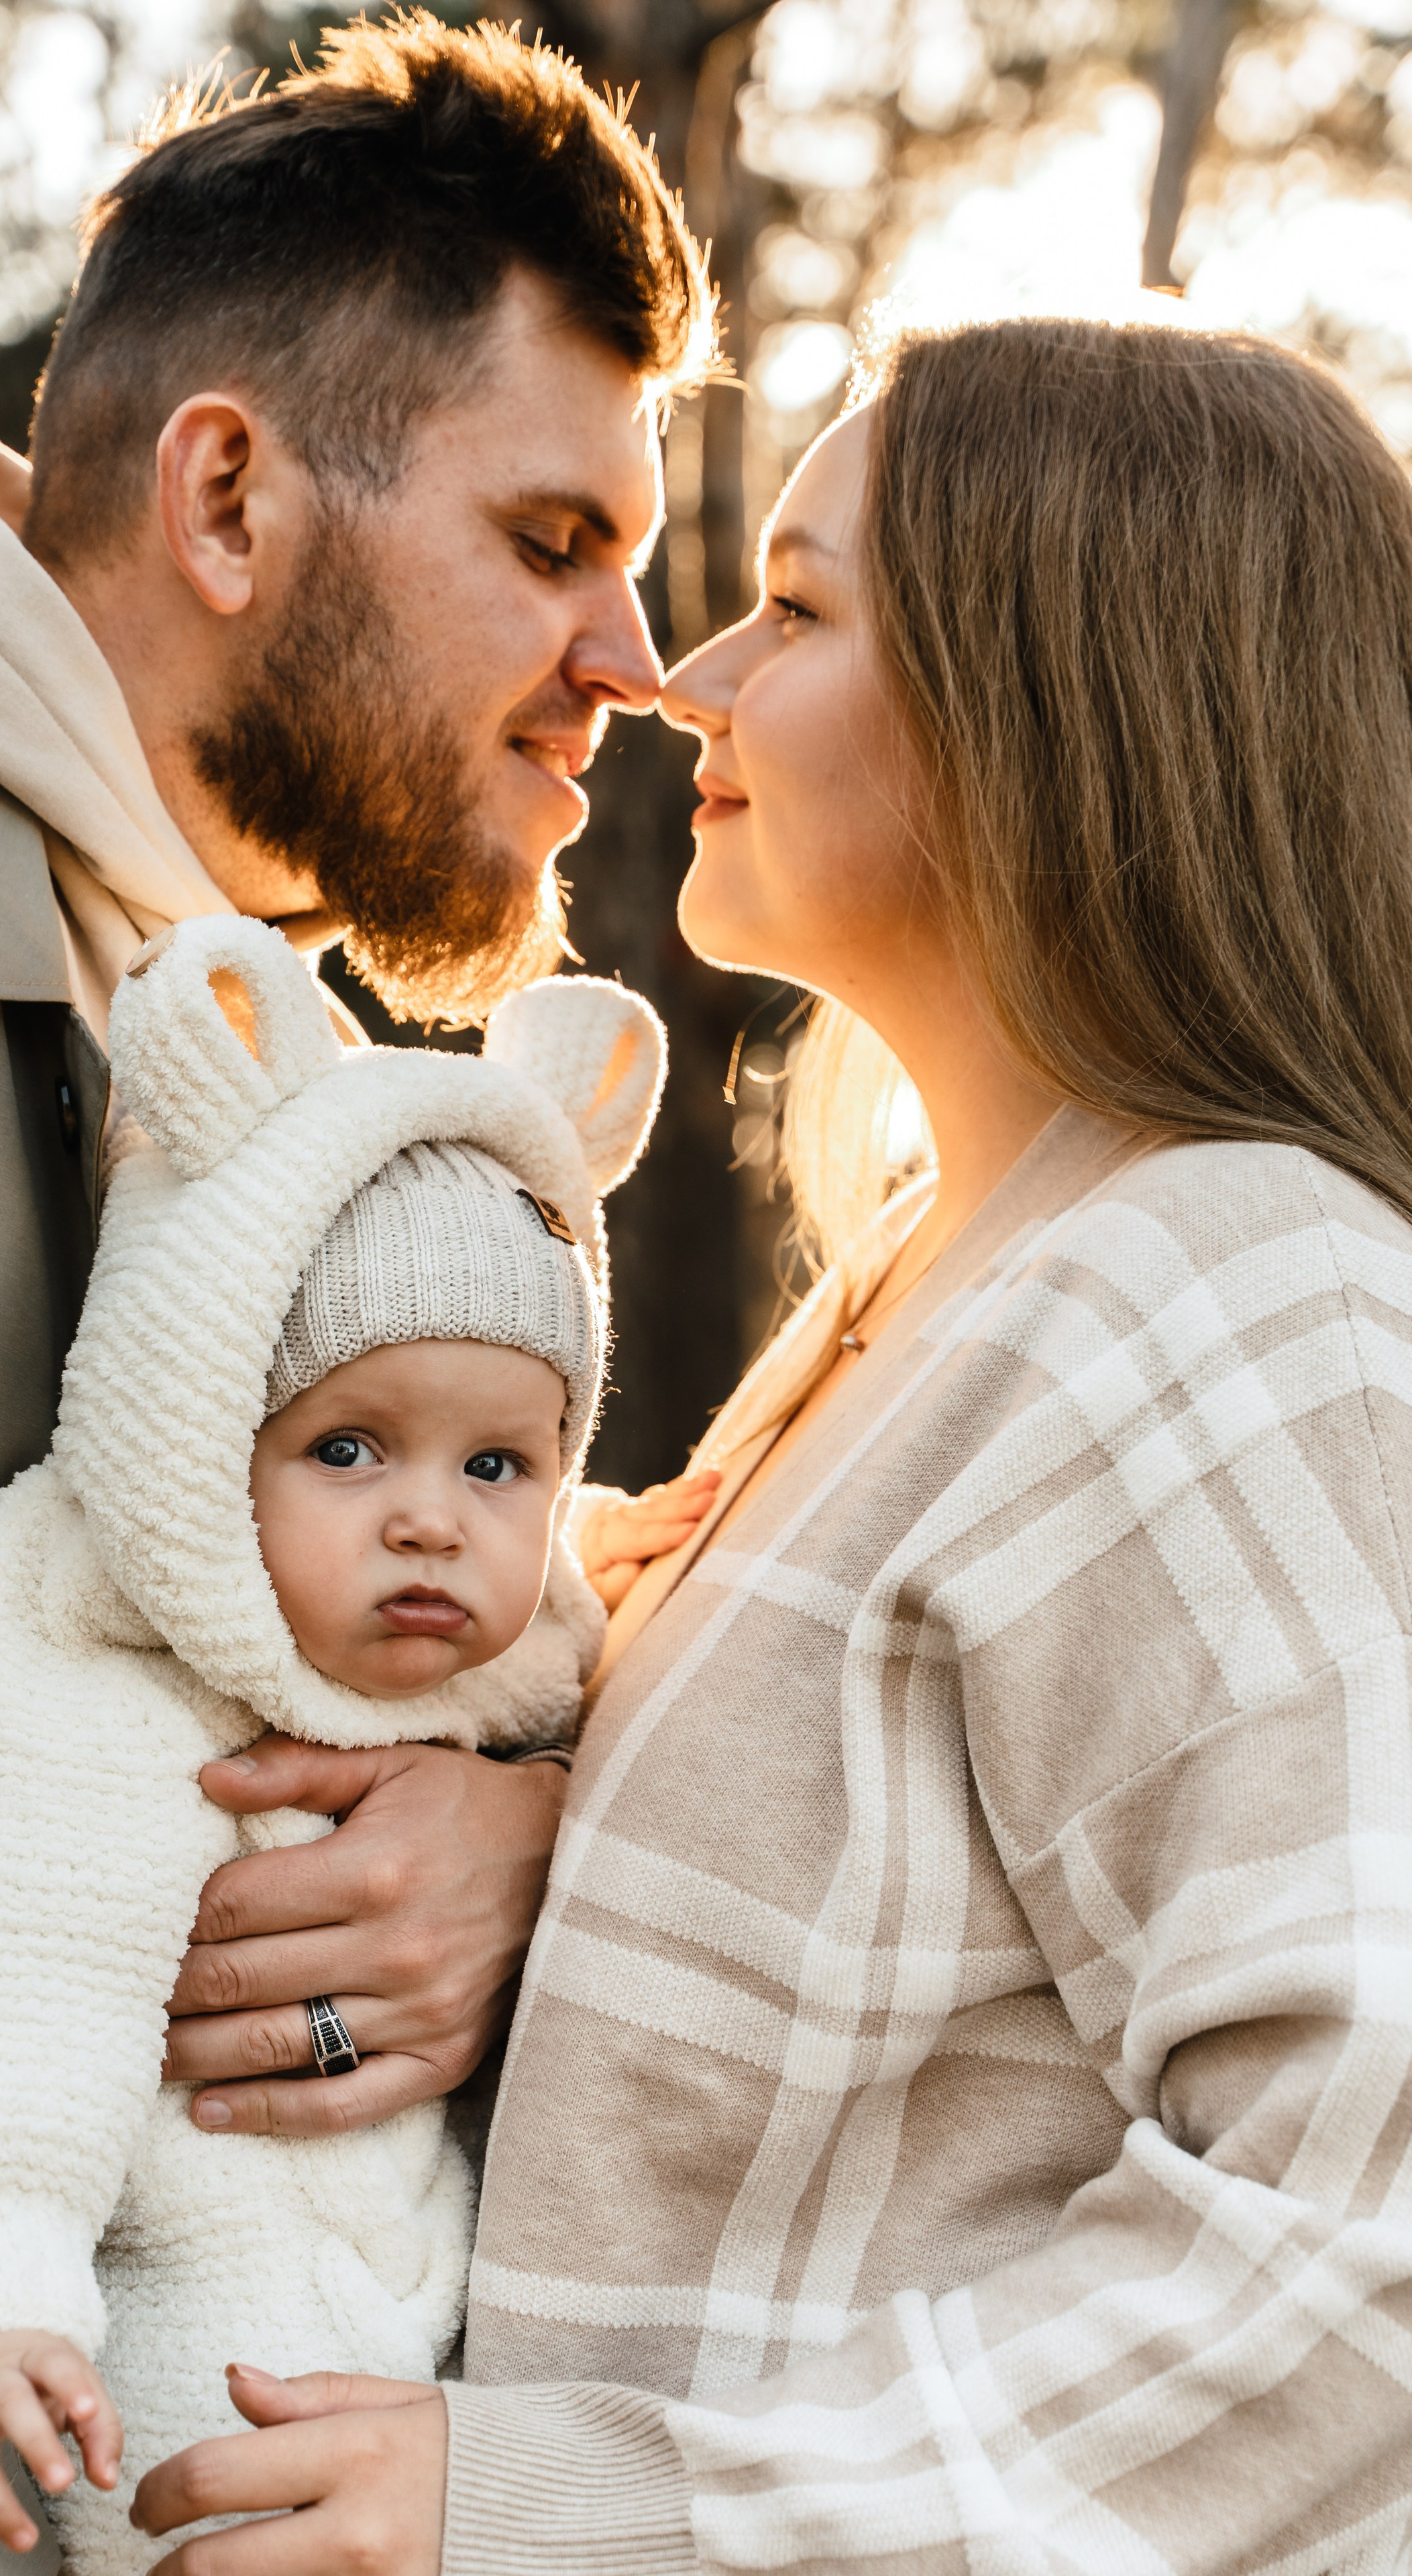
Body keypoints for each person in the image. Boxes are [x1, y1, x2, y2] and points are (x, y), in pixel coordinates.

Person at [123, 320, 1412, 2575]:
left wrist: (578, 2515)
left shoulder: (1239, 1295)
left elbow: (1367, 2247)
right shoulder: (943, 1276)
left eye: (796, 612)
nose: (688, 677)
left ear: (1053, 697)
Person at [0, 19, 714, 2571]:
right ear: (232, 496)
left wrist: (508, 1830)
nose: (636, 659)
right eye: (554, 539)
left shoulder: (269, 1081)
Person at [0, 922, 672, 2573]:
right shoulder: (80, 1660)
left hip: (446, 2341)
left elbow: (584, 1703)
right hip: (179, 2320)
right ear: (201, 1437)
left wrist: (635, 1583)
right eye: (347, 1448)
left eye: (498, 1468)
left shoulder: (492, 1660)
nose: (430, 1522)